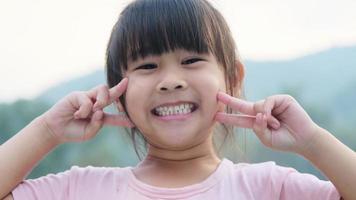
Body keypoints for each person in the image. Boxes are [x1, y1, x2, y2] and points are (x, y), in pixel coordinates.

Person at [0, 0, 354, 199]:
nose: (170, 81)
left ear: (233, 79)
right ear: (118, 96)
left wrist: (312, 141)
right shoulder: (81, 189)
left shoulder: (270, 188)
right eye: (147, 65)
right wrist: (47, 130)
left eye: (191, 60)